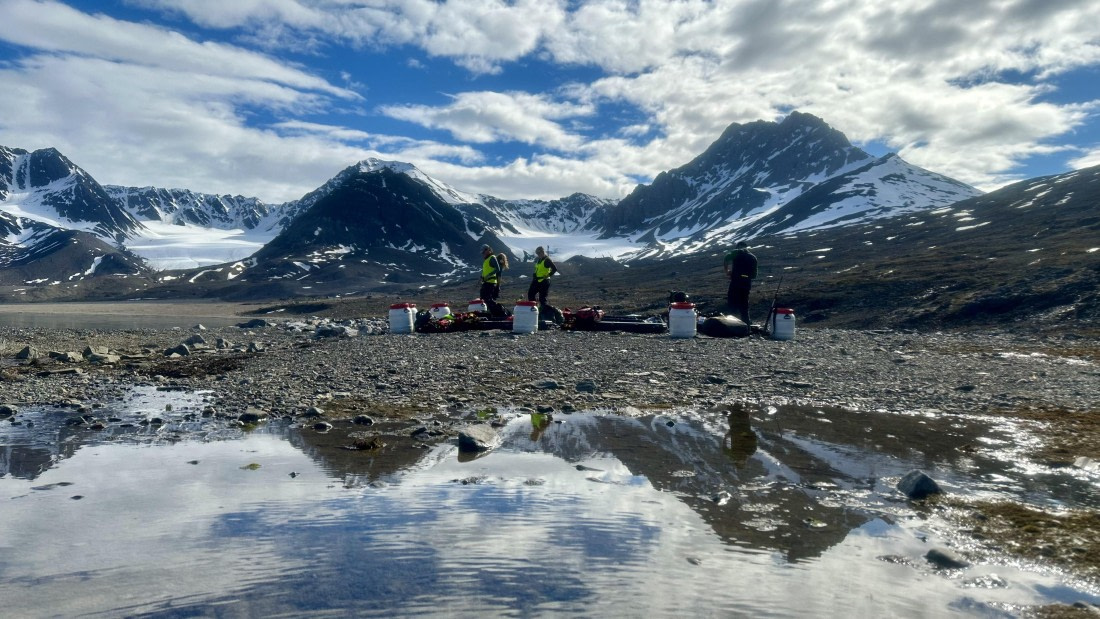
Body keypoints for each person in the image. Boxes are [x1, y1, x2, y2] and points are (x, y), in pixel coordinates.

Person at [724, 240, 757, 324]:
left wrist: (727, 271)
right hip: (746, 282)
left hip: (736, 280)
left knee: (732, 299)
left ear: (738, 246)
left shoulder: (736, 252)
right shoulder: (753, 257)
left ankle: (730, 322)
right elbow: (754, 275)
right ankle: (746, 322)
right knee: (744, 301)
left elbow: (726, 258)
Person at [527, 246, 561, 322]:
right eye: (537, 253)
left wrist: (548, 275)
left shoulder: (547, 260)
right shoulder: (539, 260)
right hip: (536, 280)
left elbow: (554, 269)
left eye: (539, 253)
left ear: (542, 252)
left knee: (542, 298)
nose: (538, 255)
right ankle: (535, 310)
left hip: (544, 281)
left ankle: (545, 314)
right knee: (530, 294)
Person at [479, 244, 507, 318]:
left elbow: (497, 270)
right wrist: (482, 276)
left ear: (488, 250)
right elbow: (486, 270)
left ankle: (500, 312)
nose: (483, 254)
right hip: (486, 282)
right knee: (485, 297)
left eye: (484, 252)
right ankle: (494, 313)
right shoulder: (487, 260)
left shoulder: (492, 258)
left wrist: (489, 276)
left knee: (488, 298)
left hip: (490, 282)